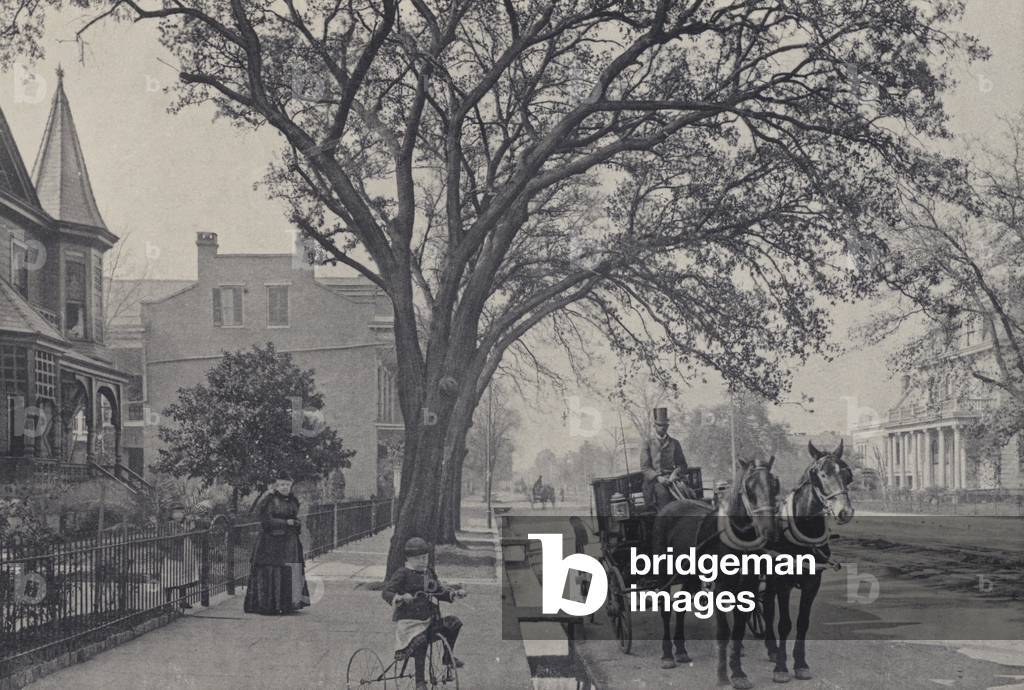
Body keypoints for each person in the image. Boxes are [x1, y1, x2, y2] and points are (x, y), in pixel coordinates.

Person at [383, 537, 466, 690]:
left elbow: (439, 591)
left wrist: (453, 594)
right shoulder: (403, 573)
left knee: (454, 623)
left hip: (429, 621)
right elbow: (387, 592)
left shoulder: (428, 572)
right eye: (419, 558)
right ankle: (419, 682)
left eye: (426, 557)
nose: (423, 561)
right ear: (409, 558)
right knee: (420, 641)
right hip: (410, 625)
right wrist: (400, 597)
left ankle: (447, 658)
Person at [243, 473, 311, 614]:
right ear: (276, 486)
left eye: (287, 484)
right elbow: (266, 520)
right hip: (271, 543)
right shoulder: (269, 500)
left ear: (291, 486)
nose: (285, 487)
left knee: (289, 569)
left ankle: (287, 605)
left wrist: (296, 523)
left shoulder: (292, 500)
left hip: (289, 543)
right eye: (281, 485)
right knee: (272, 570)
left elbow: (295, 517)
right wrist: (286, 523)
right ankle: (269, 605)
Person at [640, 407, 692, 511]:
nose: (663, 428)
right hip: (654, 482)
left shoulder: (675, 443)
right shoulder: (648, 443)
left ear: (668, 426)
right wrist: (658, 478)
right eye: (660, 425)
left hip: (672, 479)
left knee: (688, 495)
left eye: (665, 425)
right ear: (654, 426)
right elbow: (645, 468)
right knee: (663, 496)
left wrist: (675, 474)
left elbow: (682, 465)